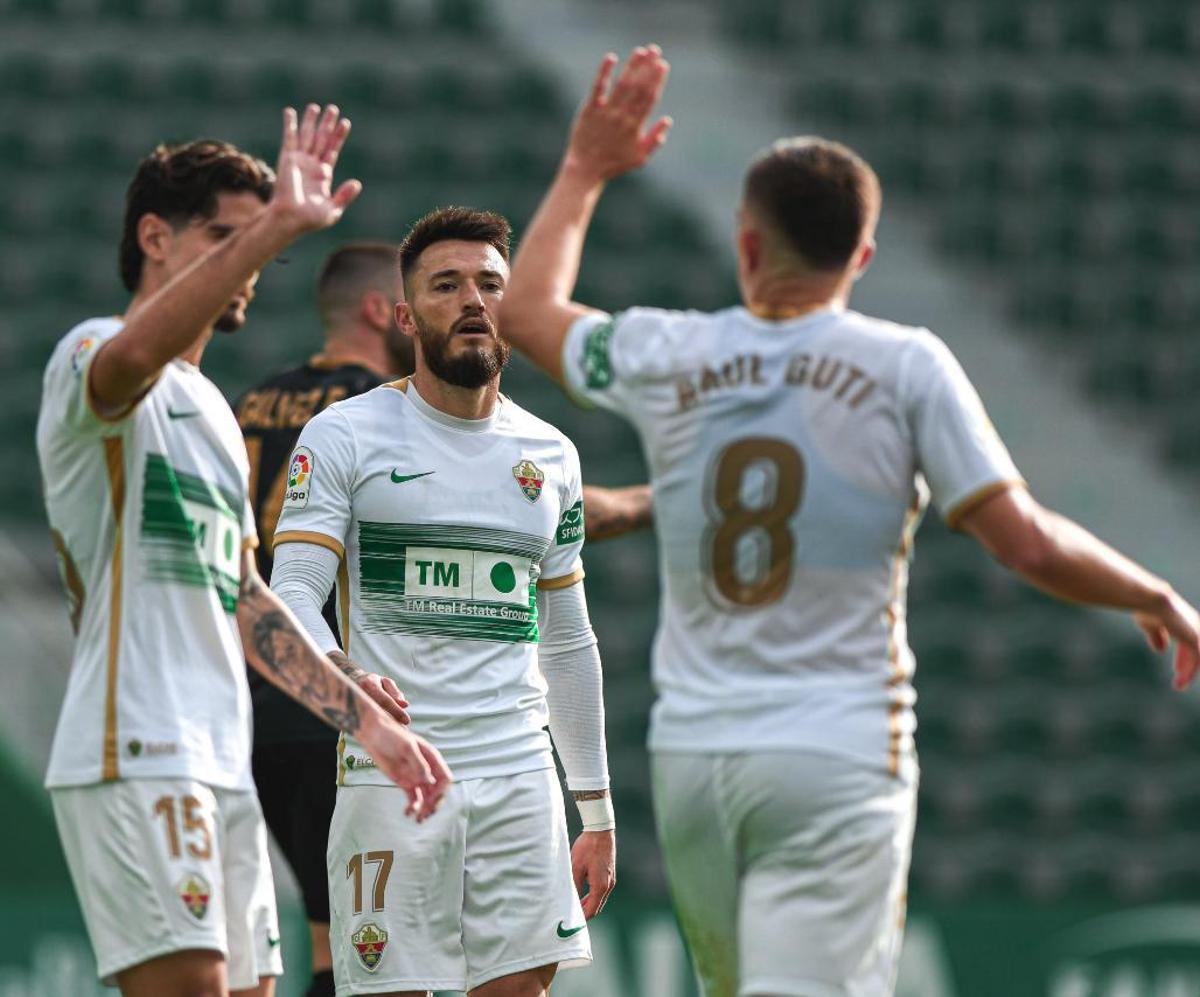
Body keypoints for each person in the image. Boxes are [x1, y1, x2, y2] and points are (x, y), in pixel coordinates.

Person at [498, 46, 1200, 997]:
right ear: (862, 254)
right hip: (837, 745)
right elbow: (1023, 538)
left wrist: (585, 169)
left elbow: (530, 312)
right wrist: (1149, 588)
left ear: (747, 244)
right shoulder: (906, 365)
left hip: (696, 756)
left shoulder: (674, 349)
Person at [35, 105, 450, 997]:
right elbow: (137, 348)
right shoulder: (93, 355)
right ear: (154, 235)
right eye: (230, 235)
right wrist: (277, 227)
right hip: (135, 744)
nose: (255, 263)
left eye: (263, 242)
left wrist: (362, 719)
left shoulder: (218, 413)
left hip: (224, 760)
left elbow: (249, 597)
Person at [237, 244, 650, 997]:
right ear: (403, 313)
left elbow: (567, 638)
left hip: (520, 772)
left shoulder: (551, 454)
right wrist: (346, 673)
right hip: (392, 768)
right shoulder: (344, 434)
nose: (473, 299)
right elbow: (293, 590)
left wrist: (595, 808)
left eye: (491, 283)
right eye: (446, 284)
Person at [235, 241, 415, 997]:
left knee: (327, 930)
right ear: (381, 310)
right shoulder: (389, 413)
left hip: (261, 697)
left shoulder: (251, 402)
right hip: (345, 695)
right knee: (380, 944)